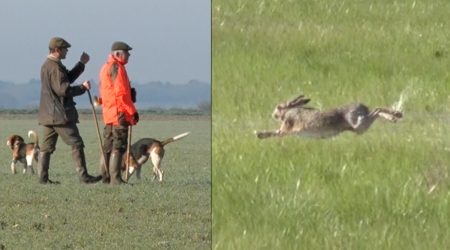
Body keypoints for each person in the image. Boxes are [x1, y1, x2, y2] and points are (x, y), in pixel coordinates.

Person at [37, 37, 102, 184]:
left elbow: (67, 79)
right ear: (56, 50)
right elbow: (63, 89)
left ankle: (43, 179)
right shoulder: (55, 67)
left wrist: (81, 64)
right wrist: (82, 88)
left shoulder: (49, 65)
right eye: (65, 49)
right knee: (76, 143)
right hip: (60, 115)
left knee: (46, 148)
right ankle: (84, 177)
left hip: (48, 115)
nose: (67, 51)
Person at [98, 41, 139, 185]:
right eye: (126, 53)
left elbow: (105, 92)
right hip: (119, 112)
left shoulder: (105, 67)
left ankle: (105, 176)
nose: (128, 55)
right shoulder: (117, 67)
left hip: (108, 113)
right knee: (119, 146)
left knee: (108, 146)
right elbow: (121, 93)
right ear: (117, 54)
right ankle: (116, 179)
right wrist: (132, 111)